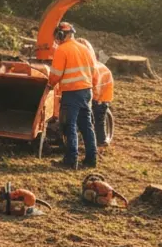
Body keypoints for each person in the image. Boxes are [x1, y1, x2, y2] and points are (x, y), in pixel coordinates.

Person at [48, 22, 97, 169]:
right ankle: (91, 159)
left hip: (71, 93)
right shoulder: (84, 49)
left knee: (70, 126)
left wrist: (50, 85)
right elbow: (93, 71)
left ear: (61, 34)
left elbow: (56, 74)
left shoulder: (62, 50)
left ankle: (70, 160)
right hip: (86, 91)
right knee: (86, 126)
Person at [78, 37, 113, 147]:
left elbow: (96, 86)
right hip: (91, 95)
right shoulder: (85, 66)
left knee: (99, 119)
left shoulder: (96, 68)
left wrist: (94, 100)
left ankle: (102, 141)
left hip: (101, 97)